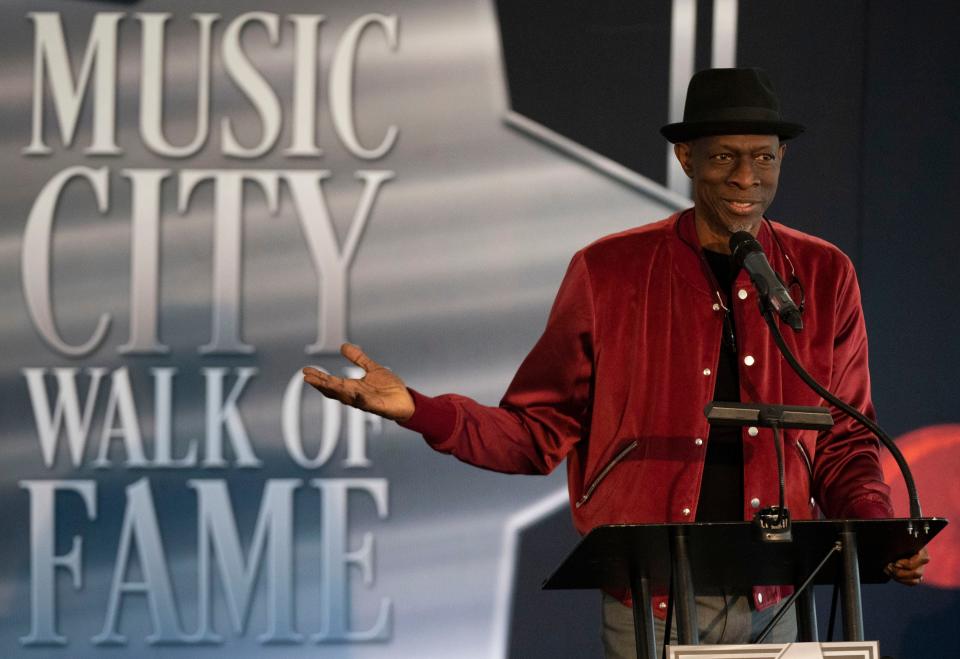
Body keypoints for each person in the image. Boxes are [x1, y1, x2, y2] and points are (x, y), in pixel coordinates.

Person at [303, 68, 929, 655]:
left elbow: (845, 438)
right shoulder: (608, 272)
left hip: (780, 595)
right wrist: (419, 409)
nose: (747, 177)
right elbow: (536, 431)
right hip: (651, 599)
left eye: (763, 156)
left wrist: (874, 533)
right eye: (724, 157)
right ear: (687, 159)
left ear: (782, 158)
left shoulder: (821, 274)